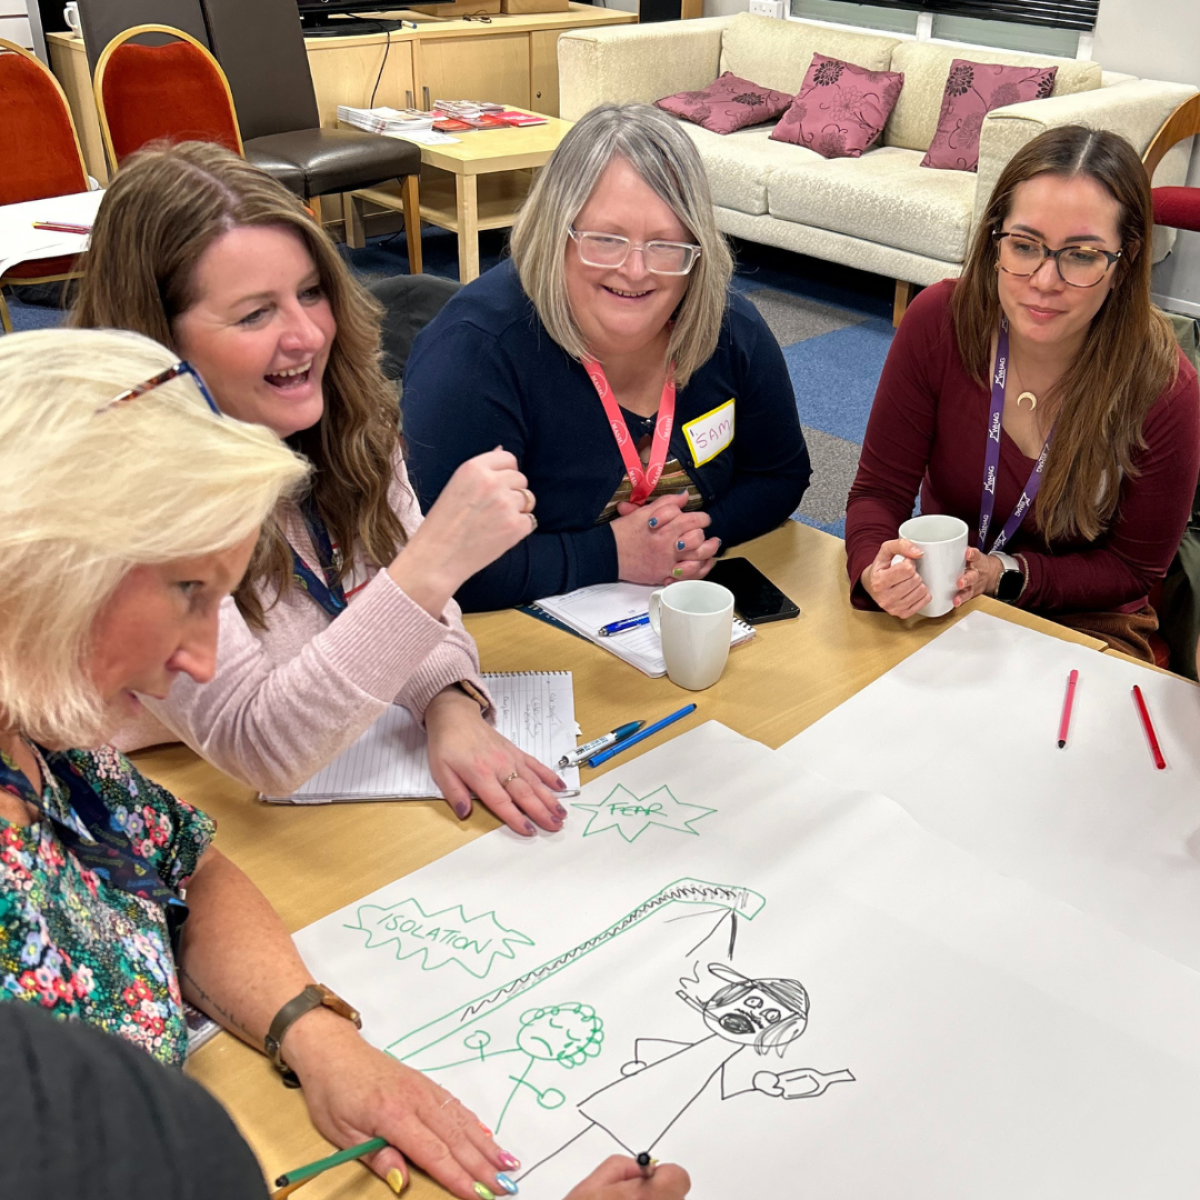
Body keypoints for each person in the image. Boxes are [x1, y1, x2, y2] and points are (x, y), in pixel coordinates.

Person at [0, 328, 690, 1200]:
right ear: (43, 571)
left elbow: (188, 864)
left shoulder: (42, 743)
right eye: (186, 594)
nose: (203, 661)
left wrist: (312, 1031)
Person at [70, 142, 567, 835]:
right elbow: (258, 742)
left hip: (313, 771)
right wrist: (433, 562)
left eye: (310, 293)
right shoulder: (130, 494)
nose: (307, 334)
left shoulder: (341, 417)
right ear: (161, 344)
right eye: (254, 315)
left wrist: (448, 699)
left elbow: (401, 607)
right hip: (138, 803)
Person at [402, 103, 812, 612]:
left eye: (665, 244)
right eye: (605, 239)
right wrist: (611, 554)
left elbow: (781, 475)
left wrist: (696, 537)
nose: (635, 270)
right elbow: (433, 566)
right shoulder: (476, 353)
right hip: (514, 644)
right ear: (557, 234)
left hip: (679, 623)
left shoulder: (730, 328)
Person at [846, 125, 1200, 659]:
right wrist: (876, 565)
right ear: (996, 241)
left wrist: (1003, 574)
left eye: (1080, 254)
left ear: (1122, 265)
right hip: (939, 599)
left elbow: (1131, 570)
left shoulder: (1163, 385)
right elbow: (877, 494)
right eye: (1025, 245)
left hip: (1083, 621)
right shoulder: (940, 322)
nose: (1043, 279)